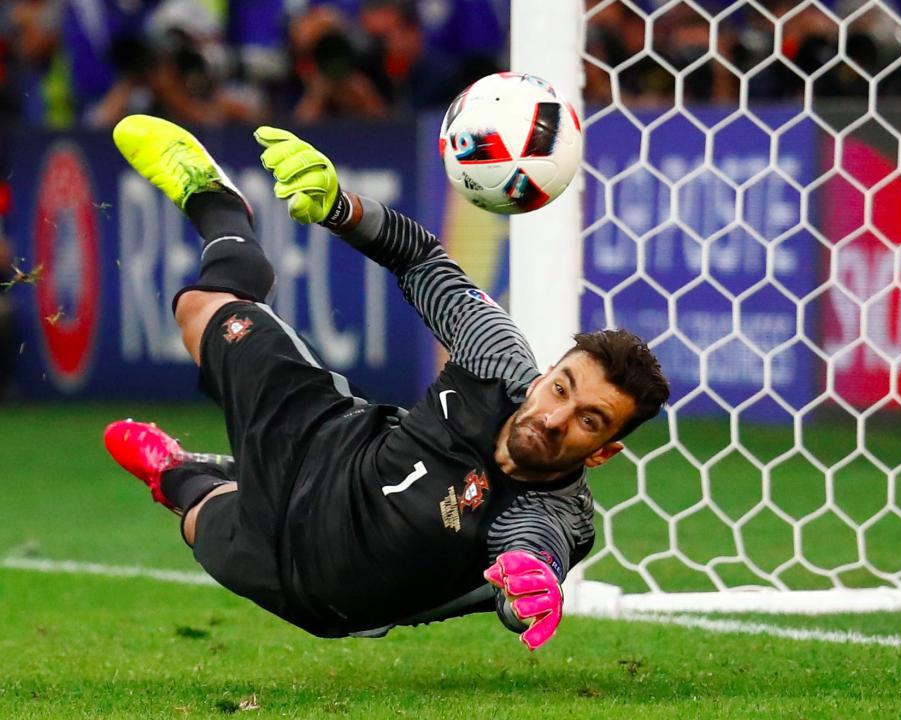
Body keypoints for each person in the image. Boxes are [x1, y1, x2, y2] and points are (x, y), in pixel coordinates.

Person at [104, 114, 670, 650]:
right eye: (562, 388)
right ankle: (218, 202)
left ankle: (178, 471)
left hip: (314, 587)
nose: (554, 417)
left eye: (588, 421)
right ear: (547, 373)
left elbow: (528, 561)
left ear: (603, 453)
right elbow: (421, 260)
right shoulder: (494, 358)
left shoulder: (556, 512)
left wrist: (532, 589)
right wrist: (338, 206)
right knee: (204, 309)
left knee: (195, 513)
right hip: (325, 441)